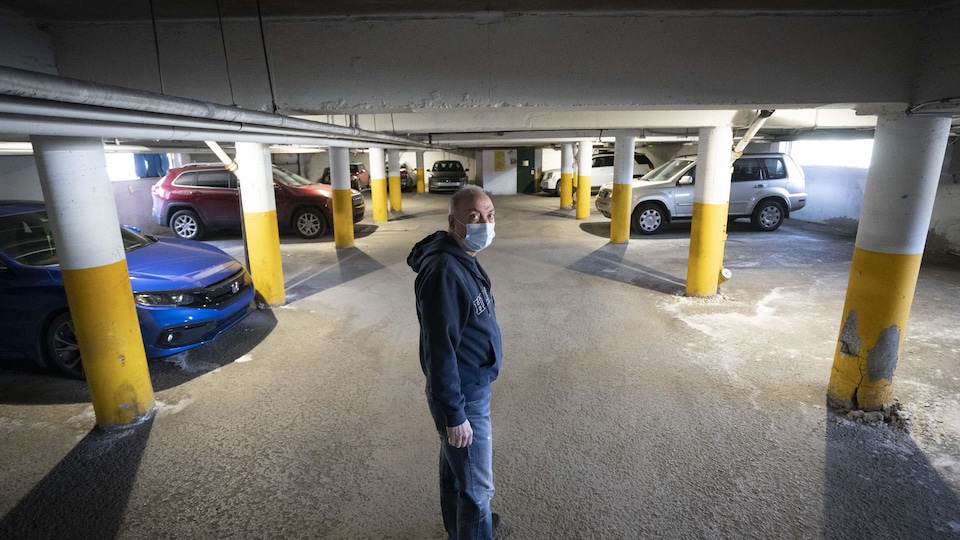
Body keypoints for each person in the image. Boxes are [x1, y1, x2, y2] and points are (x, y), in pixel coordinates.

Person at [407, 185, 503, 539]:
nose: (485, 224)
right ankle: (474, 529)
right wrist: (455, 414)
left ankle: (461, 530)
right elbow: (439, 351)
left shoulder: (461, 257)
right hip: (463, 395)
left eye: (490, 216)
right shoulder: (445, 272)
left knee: (456, 471)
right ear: (454, 223)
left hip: (470, 386)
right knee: (479, 490)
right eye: (474, 218)